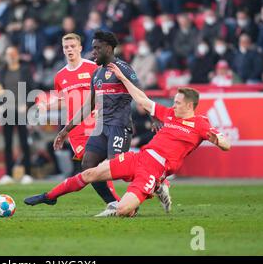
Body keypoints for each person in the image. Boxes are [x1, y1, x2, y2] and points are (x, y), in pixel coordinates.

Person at [25, 83, 231, 217]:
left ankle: (153, 186)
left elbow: (225, 143)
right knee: (89, 172)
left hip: (154, 169)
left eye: (177, 102)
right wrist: (124, 78)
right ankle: (49, 196)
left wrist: (219, 141)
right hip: (139, 157)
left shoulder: (201, 124)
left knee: (124, 209)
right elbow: (142, 100)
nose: (173, 105)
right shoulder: (169, 114)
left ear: (189, 106)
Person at [52, 30, 168, 217]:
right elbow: (87, 106)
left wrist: (153, 116)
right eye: (93, 48)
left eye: (97, 48)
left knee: (117, 168)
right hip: (101, 126)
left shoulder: (123, 68)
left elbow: (139, 94)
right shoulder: (97, 73)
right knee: (88, 165)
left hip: (119, 126)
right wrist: (65, 131)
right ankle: (115, 203)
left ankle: (156, 181)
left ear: (108, 48)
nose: (93, 52)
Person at [39, 33, 121, 216]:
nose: (69, 50)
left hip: (96, 125)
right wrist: (49, 106)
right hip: (76, 130)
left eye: (72, 46)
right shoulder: (60, 76)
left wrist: (102, 108)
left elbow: (105, 89)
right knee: (92, 168)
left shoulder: (93, 67)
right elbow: (65, 100)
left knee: (108, 166)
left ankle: (122, 199)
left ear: (80, 48)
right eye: (66, 47)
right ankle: (116, 203)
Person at [0, 46, 34, 185]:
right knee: (8, 143)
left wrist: (28, 105)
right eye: (8, 54)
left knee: (24, 143)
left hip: (22, 111)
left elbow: (32, 88)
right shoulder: (2, 70)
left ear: (18, 55)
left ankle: (28, 174)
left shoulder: (24, 70)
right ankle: (8, 174)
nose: (11, 56)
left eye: (13, 53)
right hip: (8, 111)